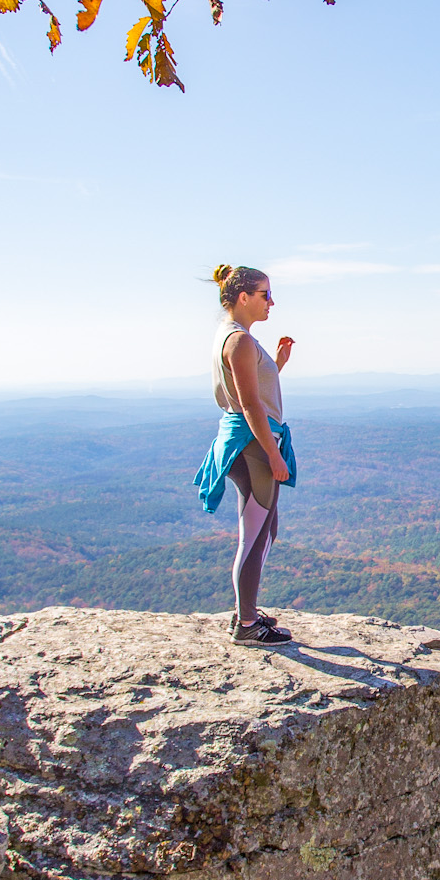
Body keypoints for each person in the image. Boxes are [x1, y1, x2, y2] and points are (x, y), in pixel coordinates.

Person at [193, 263, 297, 645]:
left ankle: (247, 609)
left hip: (248, 440)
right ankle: (248, 625)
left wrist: (277, 365)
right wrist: (273, 454)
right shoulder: (239, 341)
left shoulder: (235, 336)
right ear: (243, 297)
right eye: (265, 294)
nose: (271, 302)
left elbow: (251, 392)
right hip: (253, 445)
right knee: (253, 535)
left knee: (265, 530)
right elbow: (251, 405)